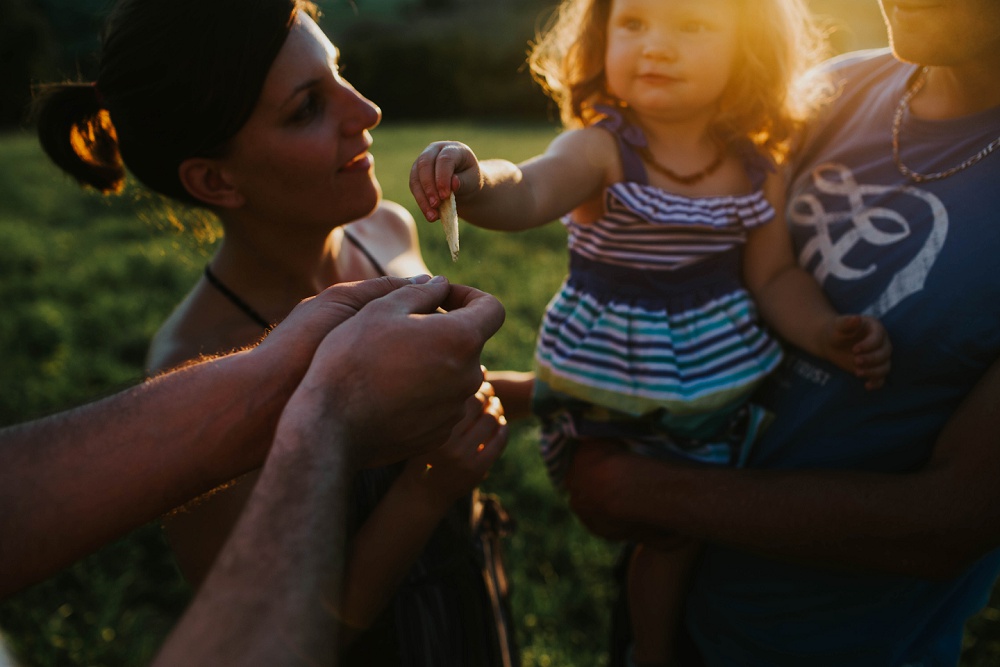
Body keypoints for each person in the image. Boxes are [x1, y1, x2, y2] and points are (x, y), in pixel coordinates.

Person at [31, 0, 519, 664]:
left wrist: (579, 395)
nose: (367, 111)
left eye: (339, 73)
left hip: (469, 598)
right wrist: (429, 488)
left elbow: (455, 393)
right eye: (307, 108)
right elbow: (274, 629)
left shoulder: (389, 231)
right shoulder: (195, 367)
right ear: (215, 178)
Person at [409, 0, 892, 664]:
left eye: (692, 26)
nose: (655, 46)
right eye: (633, 23)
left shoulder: (756, 164)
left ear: (747, 50)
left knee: (690, 531)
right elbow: (528, 187)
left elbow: (774, 276)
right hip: (609, 385)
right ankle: (652, 652)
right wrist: (474, 178)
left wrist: (827, 330)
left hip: (709, 394)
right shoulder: (601, 148)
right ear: (602, 37)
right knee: (669, 538)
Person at [558, 0, 1000, 664]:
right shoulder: (834, 89)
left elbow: (947, 522)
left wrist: (635, 486)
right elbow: (717, 283)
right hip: (676, 598)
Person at [0, 274, 508, 665]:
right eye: (298, 126)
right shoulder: (190, 345)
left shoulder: (381, 234)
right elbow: (278, 630)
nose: (366, 127)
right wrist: (334, 419)